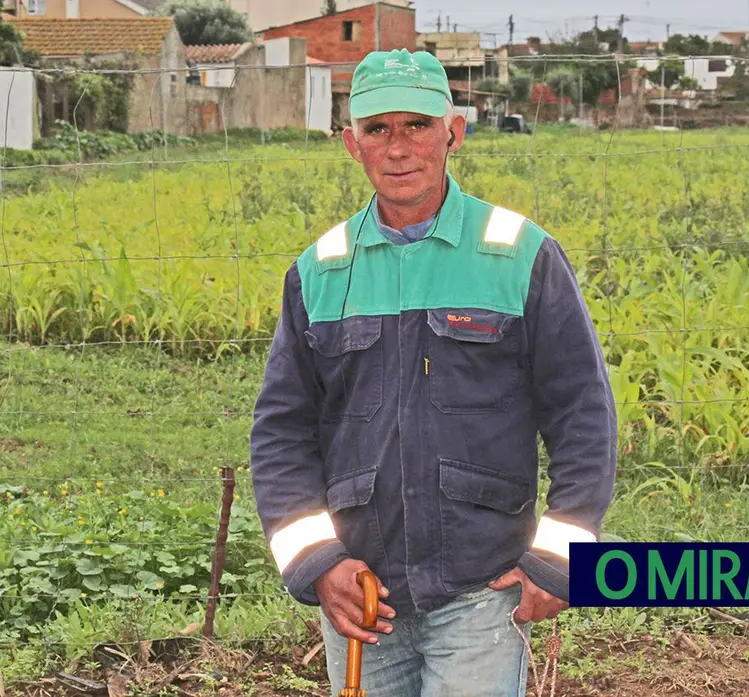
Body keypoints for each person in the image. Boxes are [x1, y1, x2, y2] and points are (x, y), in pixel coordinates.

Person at [249, 48, 617, 697]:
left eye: (417, 125)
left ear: (454, 131)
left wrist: (558, 561)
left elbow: (583, 414)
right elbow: (281, 433)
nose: (398, 148)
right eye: (377, 128)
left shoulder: (520, 255)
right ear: (350, 143)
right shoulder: (319, 271)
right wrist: (318, 561)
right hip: (363, 595)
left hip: (481, 588)